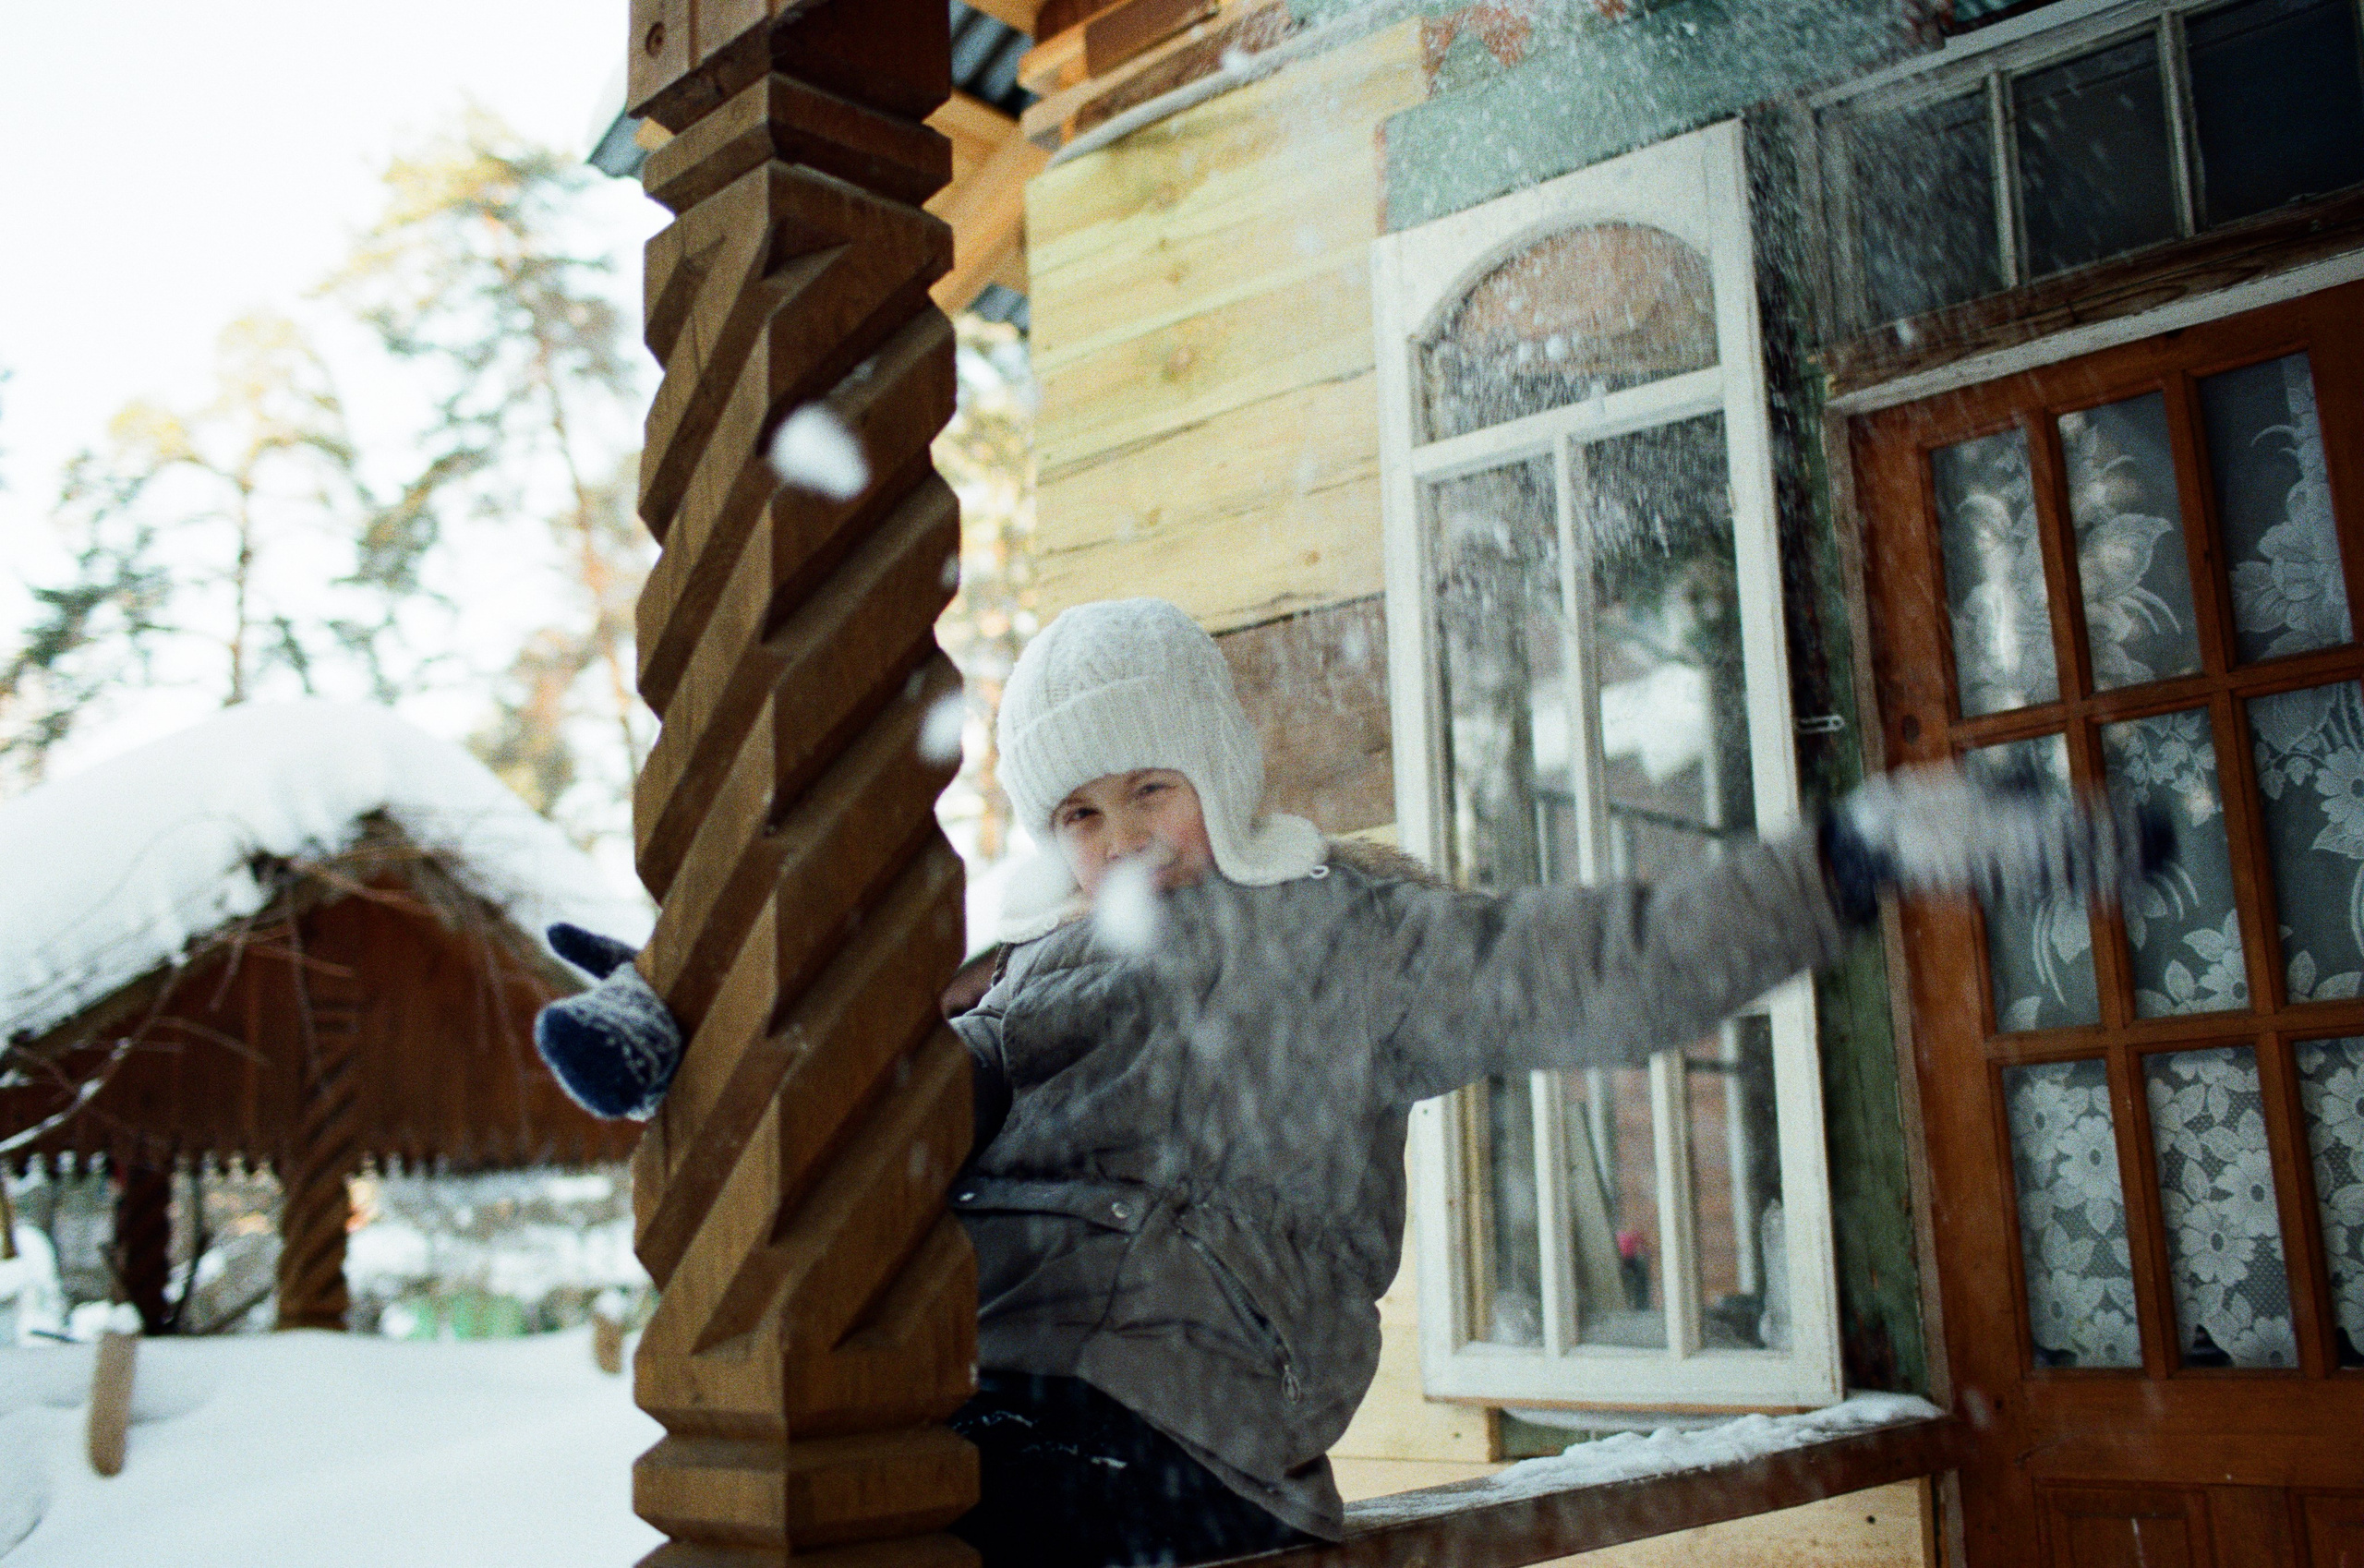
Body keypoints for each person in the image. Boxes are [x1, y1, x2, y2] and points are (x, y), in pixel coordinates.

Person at [537, 596, 2163, 1568]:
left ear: (1220, 775)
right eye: (1081, 813)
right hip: (972, 1393)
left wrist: (1853, 857)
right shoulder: (1019, 973)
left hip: (1174, 1436)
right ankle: (670, 1009)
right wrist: (749, 1024)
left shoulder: (1345, 938)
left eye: (1149, 788)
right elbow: (905, 1111)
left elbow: (1607, 960)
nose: (1120, 840)